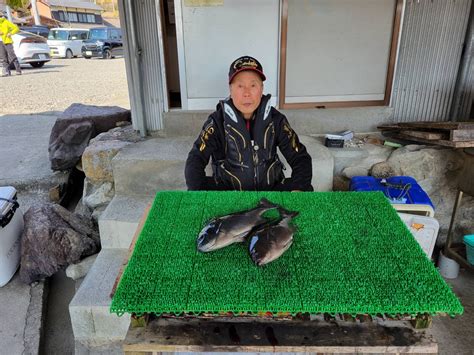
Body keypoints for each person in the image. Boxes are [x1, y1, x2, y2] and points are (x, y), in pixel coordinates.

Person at [185, 55, 313, 192]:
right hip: (229, 192)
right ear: (231, 89)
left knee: (305, 188)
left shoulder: (276, 120)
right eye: (240, 86)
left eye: (253, 85)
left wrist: (298, 189)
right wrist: (197, 194)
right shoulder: (216, 122)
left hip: (270, 189)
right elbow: (195, 159)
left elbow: (300, 158)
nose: (247, 93)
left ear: (261, 88)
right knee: (198, 189)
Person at [0, 11, 21, 77]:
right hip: (0, 42)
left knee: (12, 55)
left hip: (7, 41)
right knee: (3, 57)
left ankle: (18, 70)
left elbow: (16, 28)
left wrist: (10, 33)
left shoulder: (5, 22)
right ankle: (7, 72)